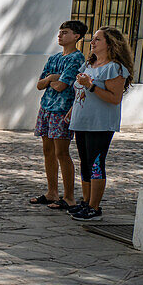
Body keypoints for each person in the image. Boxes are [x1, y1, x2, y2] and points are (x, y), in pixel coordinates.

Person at [66, 27, 134, 222]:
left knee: (96, 163)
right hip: (82, 121)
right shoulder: (90, 64)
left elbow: (115, 99)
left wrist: (91, 86)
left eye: (97, 39)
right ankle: (86, 202)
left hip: (100, 124)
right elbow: (81, 92)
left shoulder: (115, 68)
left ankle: (95, 207)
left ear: (110, 44)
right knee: (85, 163)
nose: (92, 42)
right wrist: (72, 112)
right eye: (93, 39)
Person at [28, 21, 86, 211]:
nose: (60, 35)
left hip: (62, 110)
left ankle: (69, 196)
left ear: (76, 36)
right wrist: (53, 78)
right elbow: (39, 84)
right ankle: (52, 191)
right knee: (48, 151)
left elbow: (62, 86)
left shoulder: (76, 59)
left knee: (62, 152)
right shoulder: (54, 58)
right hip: (46, 107)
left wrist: (52, 79)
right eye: (60, 32)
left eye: (65, 32)